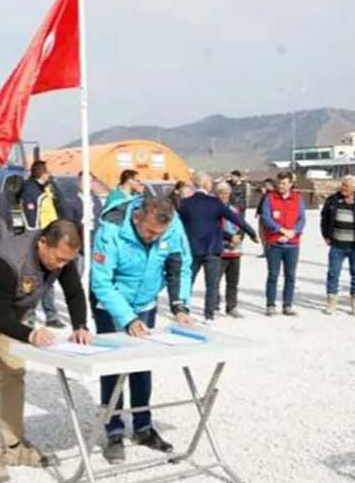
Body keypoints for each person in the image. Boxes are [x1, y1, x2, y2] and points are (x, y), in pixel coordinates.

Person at [0, 220, 90, 483]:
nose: (62, 265)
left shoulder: (61, 257)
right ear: (43, 242)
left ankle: (14, 446)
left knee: (14, 373)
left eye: (68, 260)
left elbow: (74, 292)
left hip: (13, 310)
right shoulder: (7, 261)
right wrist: (30, 335)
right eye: (59, 259)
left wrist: (80, 326)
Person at [91, 195, 193, 464]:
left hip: (146, 302)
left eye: (158, 234)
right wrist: (126, 318)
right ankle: (113, 431)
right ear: (137, 216)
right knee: (113, 368)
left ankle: (143, 428)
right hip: (111, 303)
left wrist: (180, 306)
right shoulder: (111, 229)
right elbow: (101, 281)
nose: (152, 238)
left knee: (142, 364)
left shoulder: (172, 226)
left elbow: (179, 267)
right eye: (148, 231)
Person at [178, 173, 258, 322]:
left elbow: (177, 225)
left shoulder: (186, 203)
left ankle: (183, 309)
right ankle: (209, 315)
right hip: (212, 249)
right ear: (205, 184)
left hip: (193, 249)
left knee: (188, 281)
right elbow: (235, 219)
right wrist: (251, 232)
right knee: (212, 284)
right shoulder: (214, 203)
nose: (211, 185)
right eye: (210, 182)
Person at [320, 175, 355, 316]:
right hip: (337, 244)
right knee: (333, 273)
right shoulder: (332, 200)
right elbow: (324, 218)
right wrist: (326, 235)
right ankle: (331, 302)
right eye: (342, 184)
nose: (343, 187)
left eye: (346, 185)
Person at [20, 161, 67, 328]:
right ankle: (29, 314)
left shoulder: (46, 189)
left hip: (51, 237)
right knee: (33, 279)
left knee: (49, 279)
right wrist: (34, 239)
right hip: (38, 240)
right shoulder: (31, 191)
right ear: (42, 173)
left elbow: (59, 206)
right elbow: (31, 218)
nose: (51, 175)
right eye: (48, 172)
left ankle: (51, 315)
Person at [260, 171, 306, 316]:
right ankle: (270, 304)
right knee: (273, 275)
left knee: (290, 276)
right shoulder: (270, 198)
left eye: (284, 183)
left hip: (292, 244)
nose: (281, 186)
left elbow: (302, 219)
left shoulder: (297, 199)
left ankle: (287, 305)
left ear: (291, 184)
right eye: (279, 183)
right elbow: (266, 218)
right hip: (275, 243)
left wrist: (293, 232)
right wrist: (280, 230)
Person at [215, 181, 247, 318]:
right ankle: (214, 305)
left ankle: (231, 306)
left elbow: (242, 225)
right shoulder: (213, 209)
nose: (224, 196)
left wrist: (239, 237)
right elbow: (214, 228)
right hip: (220, 249)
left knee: (233, 281)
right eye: (221, 193)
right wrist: (229, 239)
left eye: (226, 193)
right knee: (215, 281)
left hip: (235, 250)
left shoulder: (235, 209)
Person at [254, 178, 276, 258]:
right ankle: (265, 250)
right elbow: (261, 203)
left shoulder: (274, 194)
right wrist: (258, 212)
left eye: (267, 185)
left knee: (268, 234)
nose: (266, 187)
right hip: (262, 215)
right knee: (262, 234)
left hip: (269, 216)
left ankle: (270, 251)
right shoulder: (266, 193)